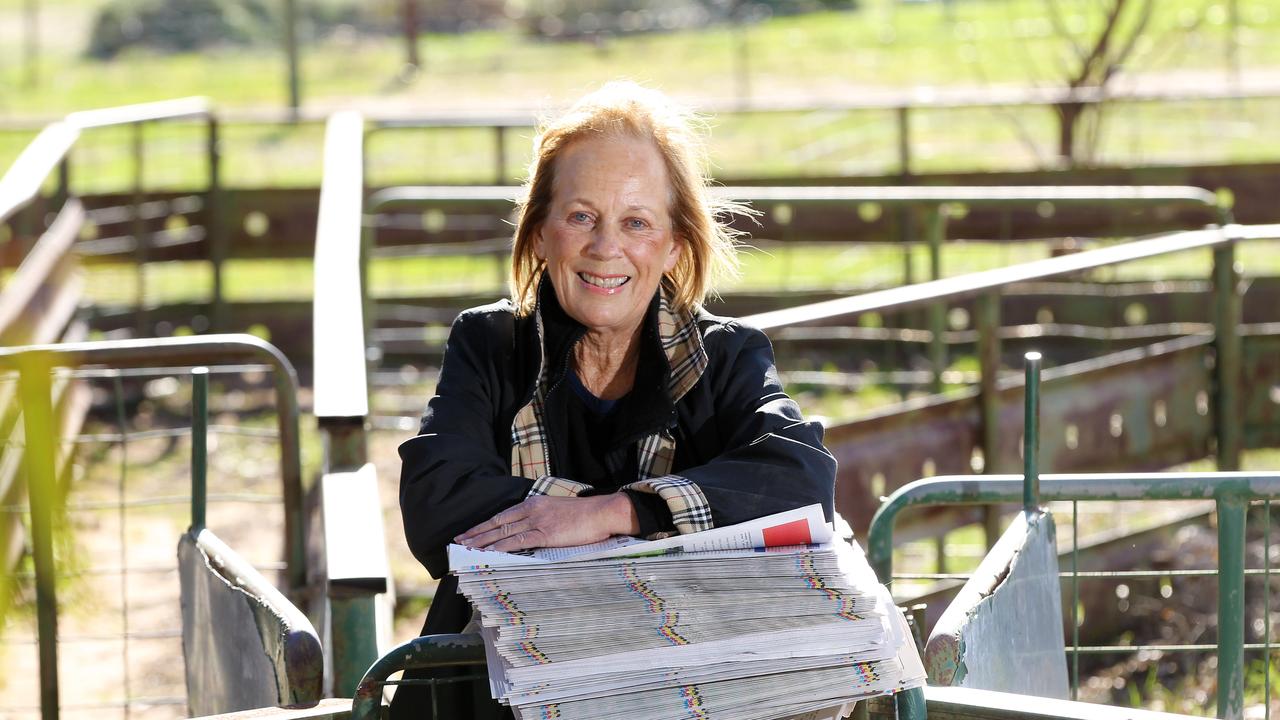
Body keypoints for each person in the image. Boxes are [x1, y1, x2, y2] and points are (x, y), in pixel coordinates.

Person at [393, 81, 837, 718]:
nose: (606, 247)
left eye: (636, 222)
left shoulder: (729, 356)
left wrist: (613, 514)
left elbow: (801, 481)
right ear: (541, 233)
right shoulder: (488, 344)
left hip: (683, 684)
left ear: (673, 246)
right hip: (503, 689)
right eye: (581, 217)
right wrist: (667, 522)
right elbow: (437, 502)